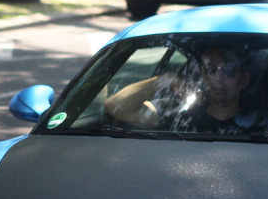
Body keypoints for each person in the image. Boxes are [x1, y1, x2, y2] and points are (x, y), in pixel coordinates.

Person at [104, 46, 253, 133]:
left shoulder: (264, 123)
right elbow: (117, 106)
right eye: (211, 70)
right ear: (203, 75)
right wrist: (166, 79)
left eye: (228, 71)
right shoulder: (177, 111)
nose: (218, 79)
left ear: (244, 79)